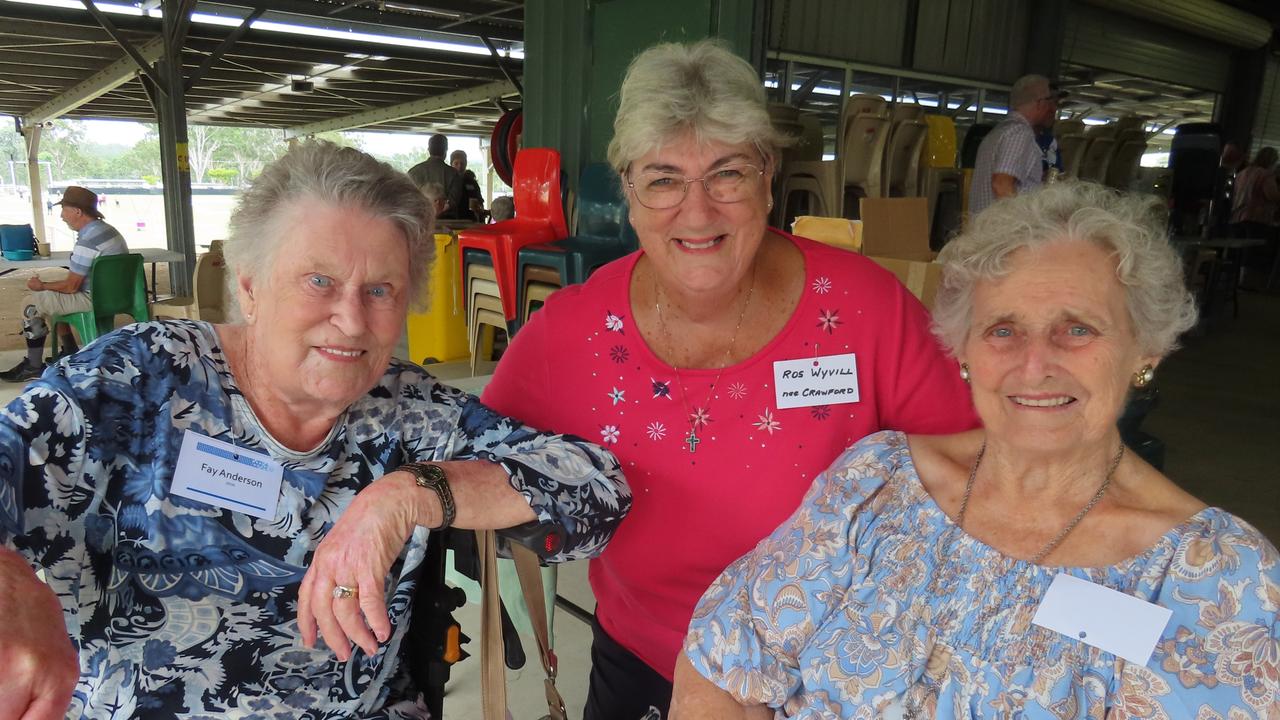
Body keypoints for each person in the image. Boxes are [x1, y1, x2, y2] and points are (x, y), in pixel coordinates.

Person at [0, 140, 631, 718]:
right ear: (250, 287)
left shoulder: (409, 411)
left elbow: (598, 490)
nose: (352, 320)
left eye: (380, 289)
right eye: (319, 281)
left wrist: (409, 494)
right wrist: (10, 588)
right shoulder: (135, 382)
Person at [481, 39, 977, 720]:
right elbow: (479, 452)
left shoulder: (868, 311)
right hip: (642, 666)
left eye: (727, 174)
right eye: (663, 179)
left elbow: (972, 475)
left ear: (768, 175)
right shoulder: (574, 330)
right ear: (627, 190)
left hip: (824, 682)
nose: (698, 211)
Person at [673, 181, 1280, 718]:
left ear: (1144, 350)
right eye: (1003, 330)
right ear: (963, 351)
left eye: (1077, 328)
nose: (1034, 364)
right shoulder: (877, 483)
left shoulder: (1219, 579)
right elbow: (719, 664)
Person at [1, 185, 127, 383]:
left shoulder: (88, 241)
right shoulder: (108, 231)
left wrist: (42, 285)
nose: (61, 216)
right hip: (117, 296)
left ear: (77, 211)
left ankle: (33, 366)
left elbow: (71, 287)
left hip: (93, 298)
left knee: (31, 303)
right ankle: (68, 352)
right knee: (49, 299)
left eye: (64, 210)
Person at [969, 74, 1064, 216]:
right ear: (1040, 103)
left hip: (985, 229)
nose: (1053, 109)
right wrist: (1022, 224)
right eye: (1052, 102)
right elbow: (1001, 184)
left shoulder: (998, 132)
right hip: (1002, 232)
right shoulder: (1020, 133)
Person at [1229, 146, 1280, 237]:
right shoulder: (1265, 174)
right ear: (1270, 161)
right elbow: (1272, 196)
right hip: (1256, 219)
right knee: (1252, 249)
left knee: (1237, 249)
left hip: (1236, 217)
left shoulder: (1242, 173)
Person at [407, 133, 458, 200]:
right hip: (447, 210)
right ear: (446, 150)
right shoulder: (453, 174)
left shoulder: (413, 172)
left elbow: (407, 198)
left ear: (429, 149)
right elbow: (454, 200)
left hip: (420, 210)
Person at [445, 149, 485, 221]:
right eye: (456, 163)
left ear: (466, 164)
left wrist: (479, 207)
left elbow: (479, 200)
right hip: (451, 219)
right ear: (451, 164)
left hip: (469, 219)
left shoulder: (471, 182)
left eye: (462, 163)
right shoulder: (447, 180)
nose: (459, 166)